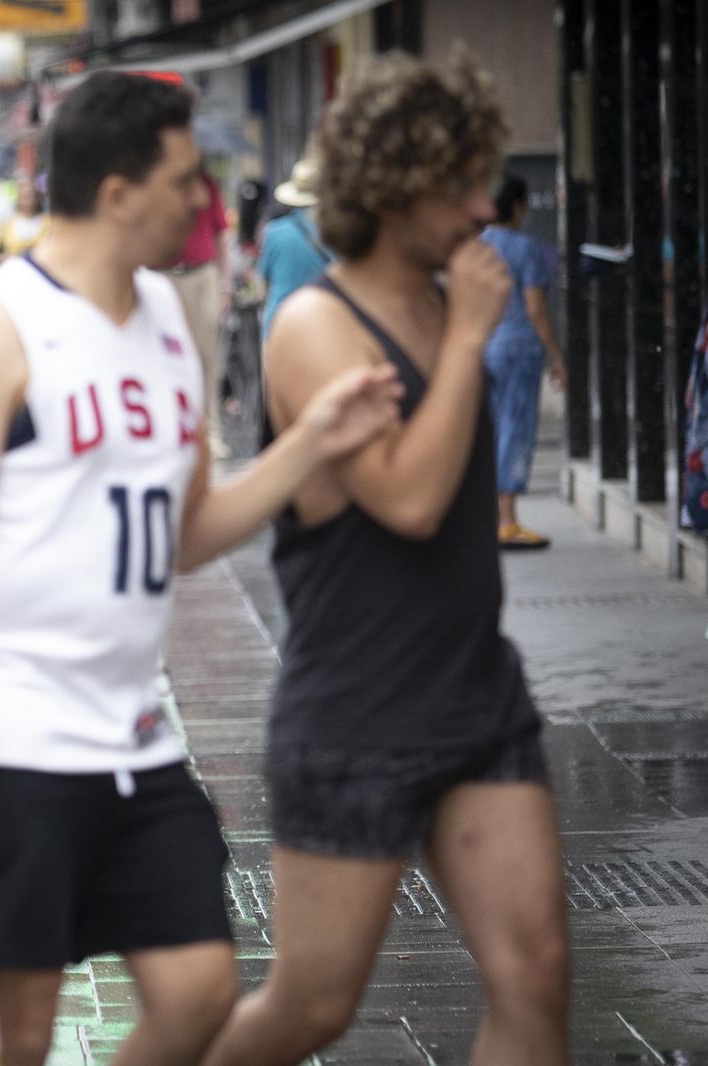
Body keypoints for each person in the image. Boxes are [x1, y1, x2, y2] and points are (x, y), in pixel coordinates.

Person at [0, 72, 401, 1066]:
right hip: (12, 740)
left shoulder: (169, 321)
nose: (204, 201)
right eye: (186, 179)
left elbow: (184, 532)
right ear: (119, 191)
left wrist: (309, 442)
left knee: (199, 992)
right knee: (23, 1032)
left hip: (133, 736)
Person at [201, 54, 569, 1066]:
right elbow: (406, 498)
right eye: (458, 184)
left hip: (476, 695)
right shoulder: (314, 321)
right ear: (395, 190)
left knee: (534, 975)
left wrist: (463, 325)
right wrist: (465, 339)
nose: (481, 205)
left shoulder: (454, 293)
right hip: (356, 717)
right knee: (312, 1006)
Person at [481, 172, 567, 549]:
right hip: (519, 349)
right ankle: (507, 520)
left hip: (486, 347)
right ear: (518, 206)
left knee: (494, 430)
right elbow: (535, 308)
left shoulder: (478, 245)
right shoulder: (525, 248)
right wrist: (556, 357)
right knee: (517, 432)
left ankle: (492, 518)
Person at [158, 166, 230, 456]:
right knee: (165, 355)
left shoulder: (207, 186)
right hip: (163, 275)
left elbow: (222, 235)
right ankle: (170, 430)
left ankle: (210, 432)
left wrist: (224, 284)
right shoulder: (160, 185)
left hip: (202, 275)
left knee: (206, 355)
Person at [256, 158, 333, 340]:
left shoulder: (273, 231)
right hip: (323, 323)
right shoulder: (333, 233)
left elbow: (263, 287)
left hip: (279, 323)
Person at [0, 178, 49, 263]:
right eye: (25, 196)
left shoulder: (49, 222)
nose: (29, 200)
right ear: (18, 197)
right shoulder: (5, 224)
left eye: (31, 195)